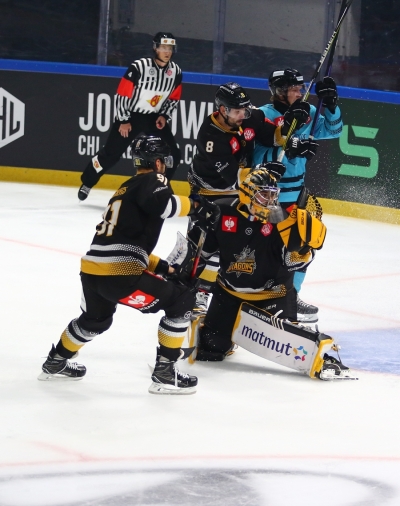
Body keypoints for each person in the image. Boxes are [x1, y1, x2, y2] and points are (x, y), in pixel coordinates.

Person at [40, 134, 220, 395]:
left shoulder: (125, 188)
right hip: (119, 274)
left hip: (92, 272)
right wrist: (196, 206)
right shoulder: (154, 179)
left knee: (95, 320)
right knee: (182, 300)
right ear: (157, 162)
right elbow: (163, 205)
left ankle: (55, 362)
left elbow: (125, 246)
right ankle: (165, 374)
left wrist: (165, 268)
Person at [190, 167, 350, 378]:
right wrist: (186, 282)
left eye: (273, 195)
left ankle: (319, 353)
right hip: (229, 294)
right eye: (264, 194)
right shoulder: (222, 212)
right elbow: (201, 254)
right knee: (211, 349)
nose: (270, 201)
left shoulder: (283, 220)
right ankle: (228, 332)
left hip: (272, 295)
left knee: (293, 346)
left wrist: (303, 249)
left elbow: (293, 264)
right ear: (247, 194)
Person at [186, 82, 312, 310]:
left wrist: (291, 129)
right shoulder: (211, 135)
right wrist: (262, 170)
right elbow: (231, 177)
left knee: (238, 244)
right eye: (237, 111)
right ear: (222, 110)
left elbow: (274, 137)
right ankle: (195, 294)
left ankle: (250, 292)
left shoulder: (248, 116)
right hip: (208, 193)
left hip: (239, 191)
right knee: (202, 245)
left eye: (245, 109)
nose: (243, 115)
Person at [253, 68, 344, 323]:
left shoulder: (308, 112)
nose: (300, 92)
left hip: (297, 193)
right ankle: (261, 296)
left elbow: (333, 130)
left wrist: (331, 105)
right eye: (294, 89)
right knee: (269, 250)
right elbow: (254, 157)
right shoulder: (263, 116)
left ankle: (291, 295)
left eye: (300, 88)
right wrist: (289, 149)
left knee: (302, 246)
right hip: (270, 195)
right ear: (279, 91)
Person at [77, 32, 183, 201]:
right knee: (110, 154)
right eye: (163, 47)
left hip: (154, 118)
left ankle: (161, 189)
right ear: (155, 48)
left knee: (173, 154)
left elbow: (174, 97)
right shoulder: (139, 67)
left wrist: (164, 115)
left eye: (170, 48)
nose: (167, 51)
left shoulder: (175, 72)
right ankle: (87, 182)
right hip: (131, 117)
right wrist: (124, 120)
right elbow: (122, 94)